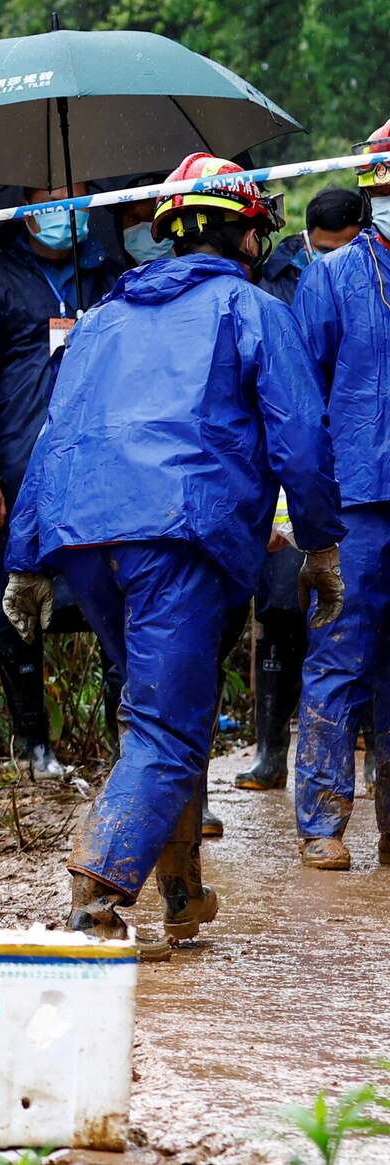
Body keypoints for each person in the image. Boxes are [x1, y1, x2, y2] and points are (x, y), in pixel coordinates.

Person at [4, 152, 345, 952]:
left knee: (161, 707)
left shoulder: (103, 319)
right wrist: (323, 545)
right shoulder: (250, 308)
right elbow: (301, 434)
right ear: (248, 234)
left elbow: (50, 440)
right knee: (166, 723)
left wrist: (26, 559)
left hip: (88, 540)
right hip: (178, 535)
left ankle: (184, 892)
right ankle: (95, 893)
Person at [0, 183, 123, 777]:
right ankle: (35, 750)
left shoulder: (108, 272)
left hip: (105, 473)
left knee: (117, 604)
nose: (63, 207)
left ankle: (125, 742)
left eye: (75, 195)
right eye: (50, 195)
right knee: (18, 607)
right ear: (24, 207)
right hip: (23, 477)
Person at [239, 187, 369, 793]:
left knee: (343, 613)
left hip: (345, 465)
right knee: (282, 605)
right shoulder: (275, 285)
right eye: (320, 250)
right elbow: (280, 400)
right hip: (294, 457)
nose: (328, 259)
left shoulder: (372, 276)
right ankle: (271, 748)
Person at [286, 124, 390, 869]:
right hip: (356, 495)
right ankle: (322, 818)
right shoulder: (330, 276)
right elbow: (299, 395)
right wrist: (297, 503)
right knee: (342, 651)